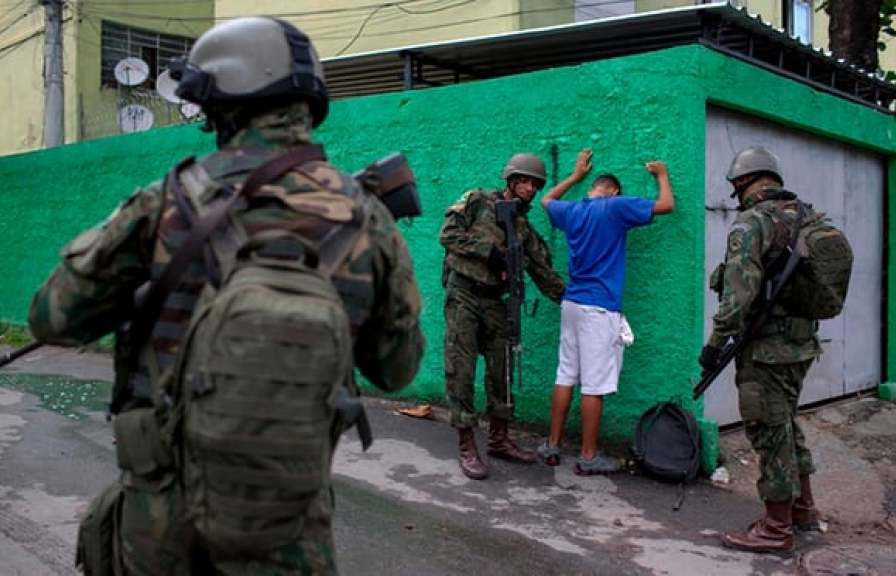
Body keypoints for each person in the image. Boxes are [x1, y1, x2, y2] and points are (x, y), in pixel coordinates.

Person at [28, 16, 425, 575]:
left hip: (158, 524)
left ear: (223, 101)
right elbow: (397, 370)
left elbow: (52, 318)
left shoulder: (165, 202)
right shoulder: (369, 221)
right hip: (289, 531)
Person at [699, 146, 823, 556]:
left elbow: (738, 295)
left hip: (767, 349)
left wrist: (715, 346)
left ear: (742, 183)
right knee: (786, 422)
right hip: (801, 344)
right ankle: (802, 509)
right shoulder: (804, 216)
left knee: (769, 432)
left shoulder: (751, 223)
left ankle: (776, 528)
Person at [536, 149, 674, 475]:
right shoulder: (615, 206)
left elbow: (545, 201)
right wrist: (662, 175)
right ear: (613, 190)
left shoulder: (573, 210)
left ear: (592, 187)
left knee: (565, 375)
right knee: (594, 385)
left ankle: (552, 446)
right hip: (599, 308)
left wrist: (574, 176)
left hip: (571, 303)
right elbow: (667, 205)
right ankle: (587, 456)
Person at [439, 152, 566, 480]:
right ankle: (467, 443)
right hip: (464, 293)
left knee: (502, 370)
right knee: (461, 368)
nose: (529, 188)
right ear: (510, 180)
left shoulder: (523, 229)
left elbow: (543, 271)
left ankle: (498, 438)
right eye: (523, 181)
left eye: (535, 184)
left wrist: (574, 300)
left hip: (496, 301)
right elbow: (448, 236)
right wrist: (489, 254)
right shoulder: (478, 201)